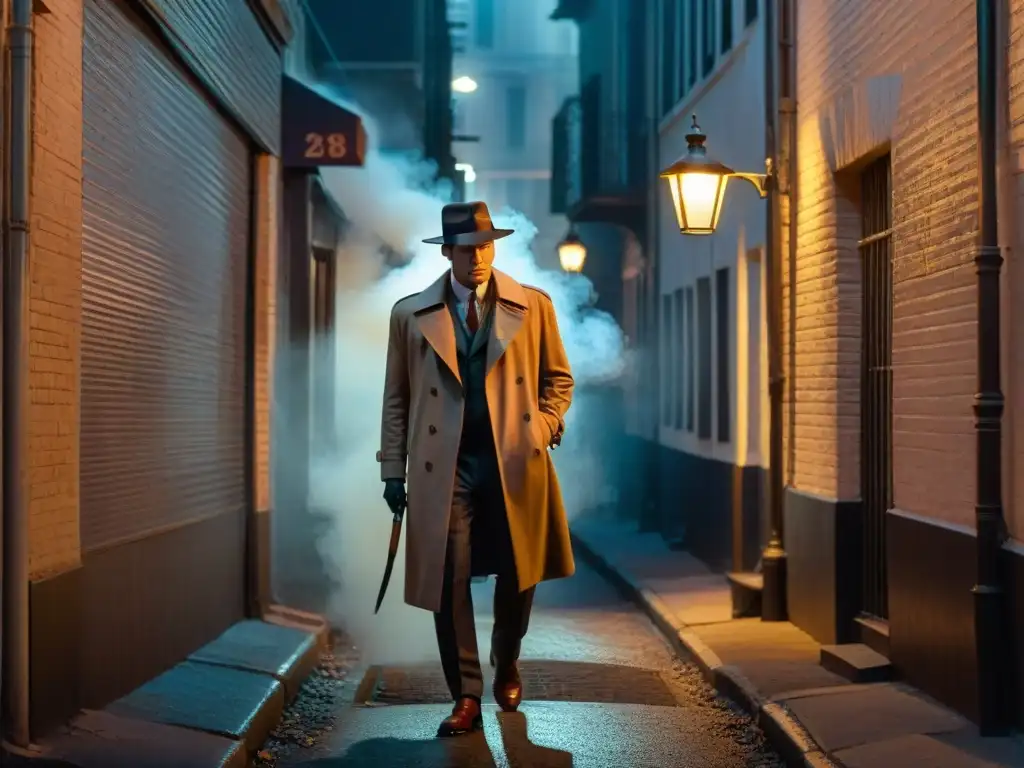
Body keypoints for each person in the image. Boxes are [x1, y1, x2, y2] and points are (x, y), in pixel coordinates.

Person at [377, 201, 576, 737]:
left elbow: (558, 380)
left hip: (515, 461)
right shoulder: (410, 314)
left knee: (519, 573)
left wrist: (544, 426)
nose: (478, 258)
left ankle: (506, 657)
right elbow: (396, 398)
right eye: (466, 249)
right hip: (447, 466)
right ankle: (466, 694)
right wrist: (392, 469)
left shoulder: (533, 307)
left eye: (486, 246)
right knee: (449, 577)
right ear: (447, 253)